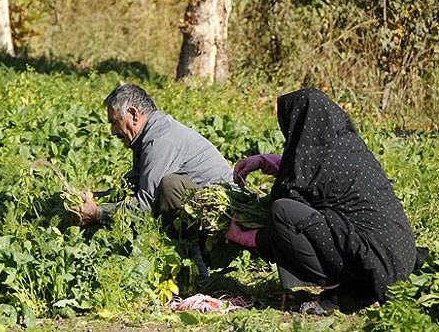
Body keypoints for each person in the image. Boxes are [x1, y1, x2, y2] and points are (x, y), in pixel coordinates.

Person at [225, 88, 419, 314]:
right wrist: (264, 161)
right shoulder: (347, 147)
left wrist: (247, 238)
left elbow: (284, 217)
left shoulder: (320, 162)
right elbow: (312, 172)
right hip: (399, 255)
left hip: (374, 263)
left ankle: (344, 292)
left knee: (283, 210)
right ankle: (356, 286)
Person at [72, 83, 233, 279]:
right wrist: (94, 197)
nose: (113, 131)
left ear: (133, 114)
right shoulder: (147, 135)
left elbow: (145, 204)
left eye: (114, 122)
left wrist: (98, 213)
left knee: (169, 187)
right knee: (164, 188)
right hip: (200, 210)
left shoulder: (159, 140)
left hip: (222, 219)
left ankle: (197, 272)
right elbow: (131, 187)